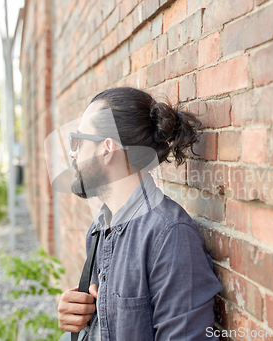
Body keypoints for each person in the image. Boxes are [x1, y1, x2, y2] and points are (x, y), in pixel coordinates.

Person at [57, 86, 222, 340]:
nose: (72, 152)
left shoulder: (170, 237)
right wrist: (85, 316)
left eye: (78, 140)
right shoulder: (100, 229)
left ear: (107, 149)